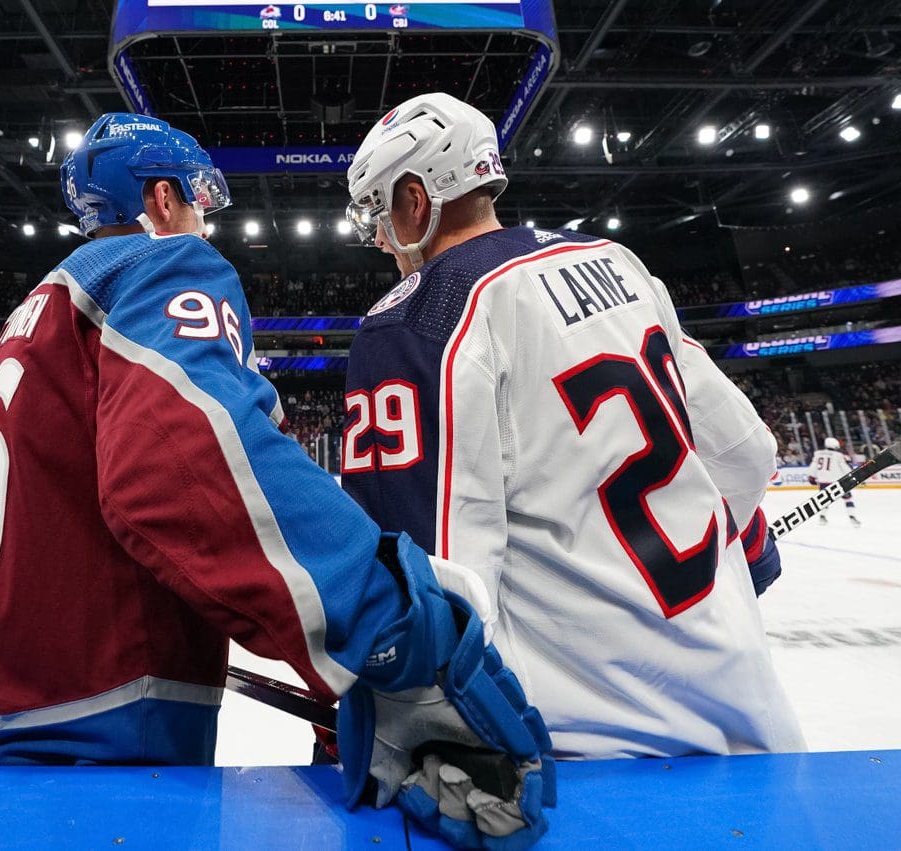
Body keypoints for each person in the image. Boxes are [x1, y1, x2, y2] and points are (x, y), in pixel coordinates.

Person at [0, 113, 554, 848]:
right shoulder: (161, 265)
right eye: (197, 199)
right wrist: (391, 627)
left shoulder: (38, 309)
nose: (203, 220)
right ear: (162, 200)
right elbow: (183, 469)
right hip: (64, 740)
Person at [341, 92, 805, 760]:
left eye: (380, 212)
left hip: (590, 757)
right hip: (752, 715)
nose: (379, 238)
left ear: (415, 199)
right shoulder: (618, 262)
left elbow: (441, 593)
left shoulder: (420, 319)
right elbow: (747, 453)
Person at [807, 437, 861, 527]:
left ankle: (822, 517)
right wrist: (852, 475)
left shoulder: (818, 454)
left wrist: (811, 476)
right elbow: (845, 468)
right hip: (838, 482)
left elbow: (813, 466)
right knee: (848, 498)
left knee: (824, 500)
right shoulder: (839, 455)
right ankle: (852, 517)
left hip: (823, 481)